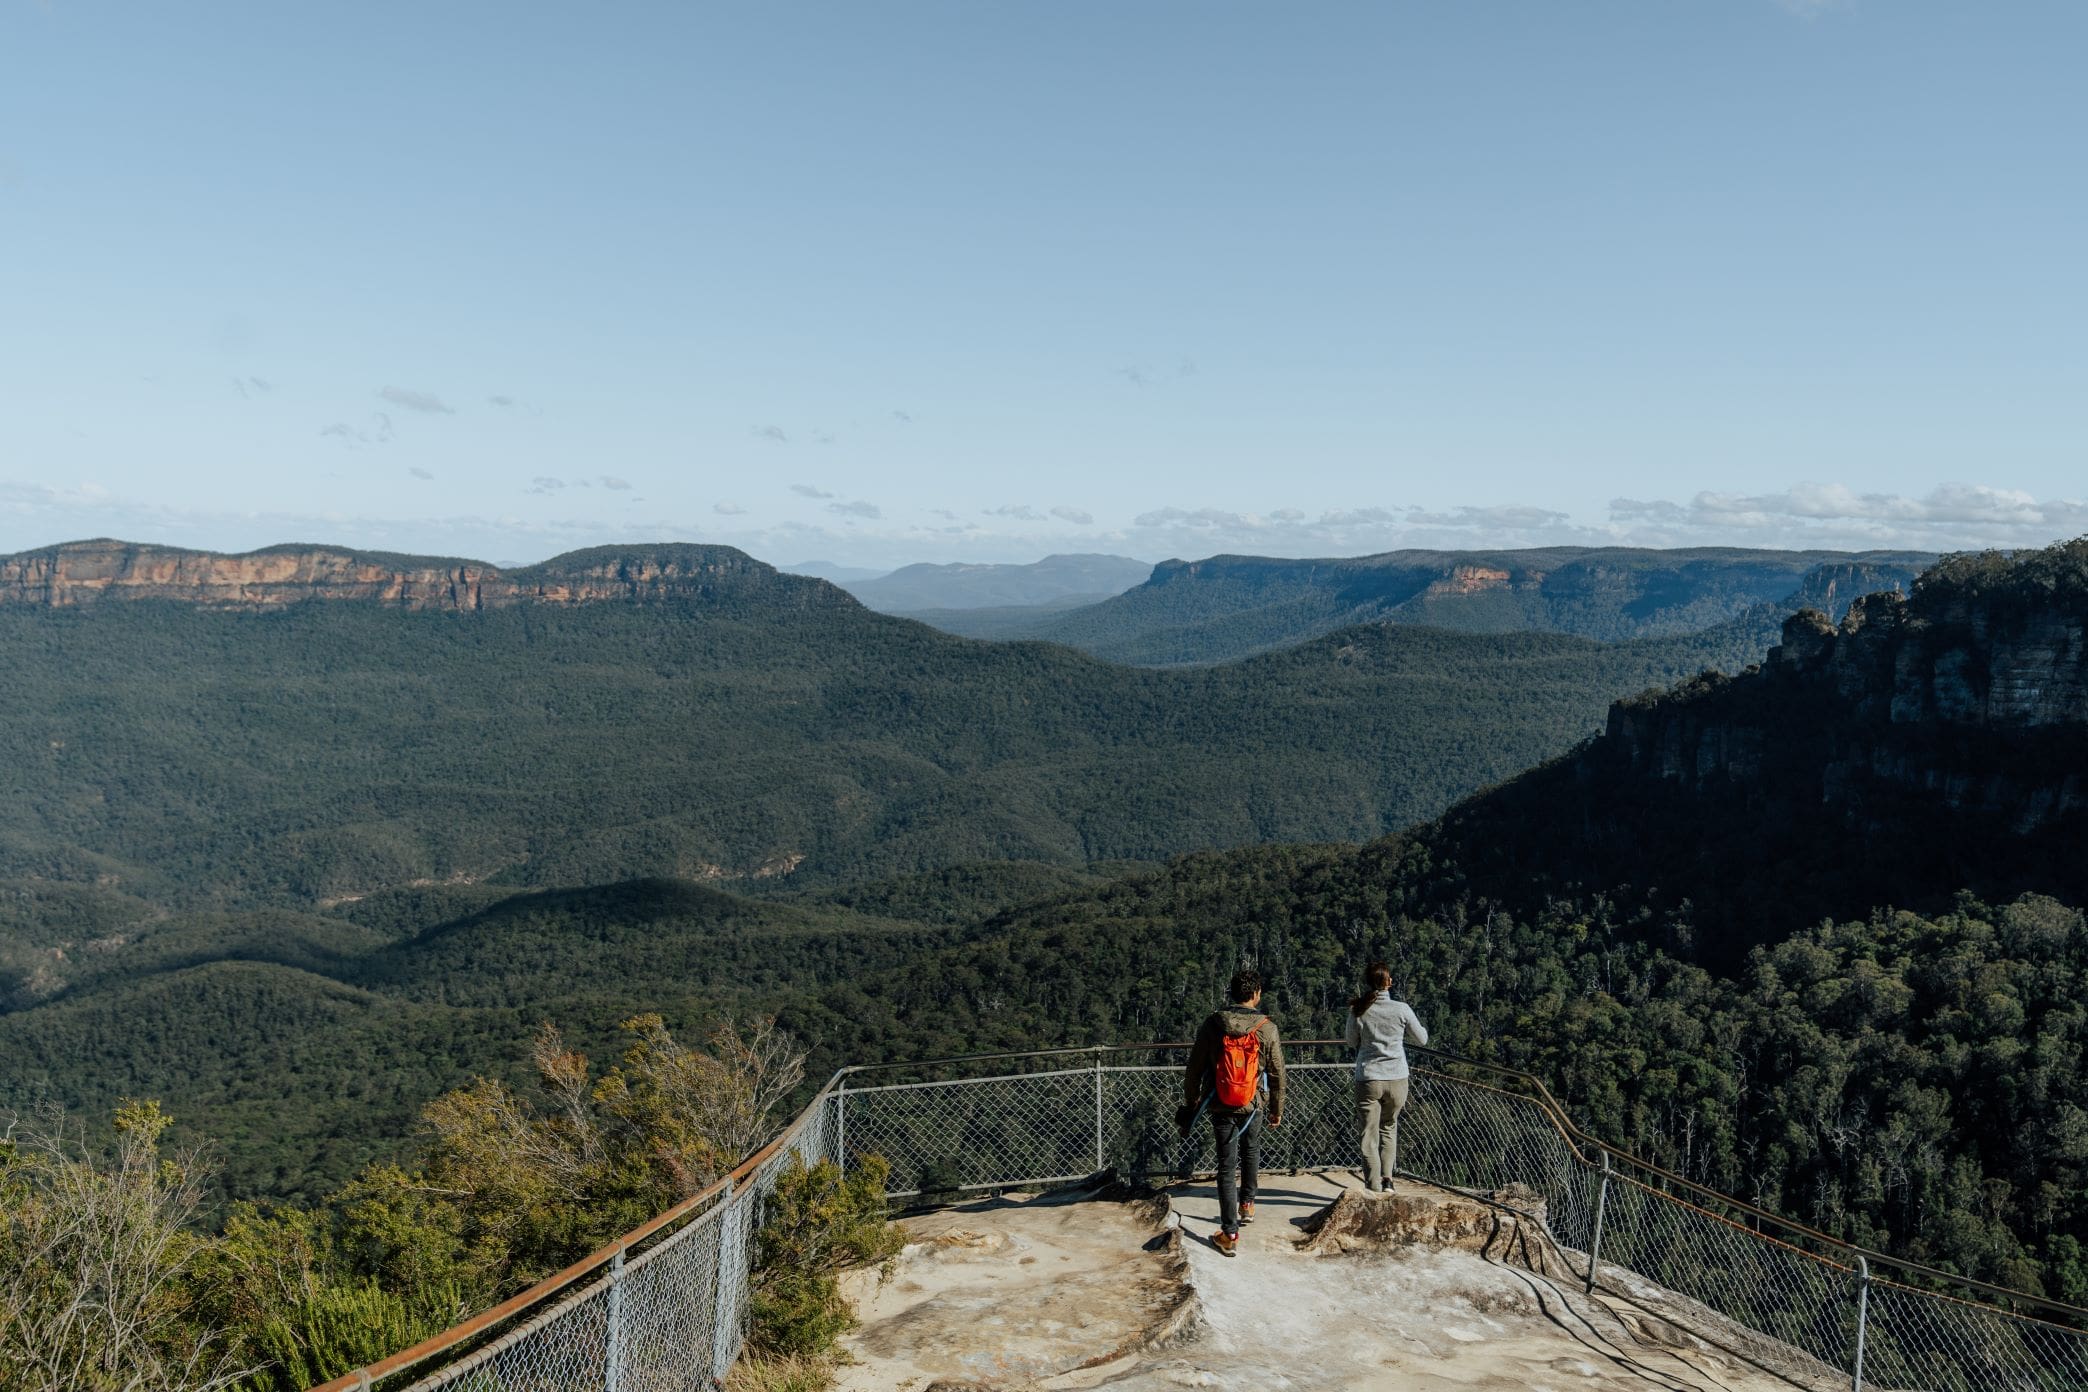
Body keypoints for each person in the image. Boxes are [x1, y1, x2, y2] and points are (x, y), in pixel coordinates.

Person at [1182, 968, 1286, 1256]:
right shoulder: (1267, 1028)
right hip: (1253, 1104)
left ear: (1232, 993)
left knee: (1226, 1167)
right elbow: (1277, 1074)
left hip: (1220, 1103)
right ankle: (1248, 1205)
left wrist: (1192, 1101)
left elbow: (1194, 1069)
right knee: (1251, 1150)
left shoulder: (1214, 1025)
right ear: (1256, 994)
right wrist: (1276, 1108)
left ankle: (1229, 1234)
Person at [1345, 961, 1427, 1194]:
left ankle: (1373, 1186)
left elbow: (1351, 1041)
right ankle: (1388, 1180)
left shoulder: (1359, 1010)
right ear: (1388, 983)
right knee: (1389, 1127)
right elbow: (1422, 1039)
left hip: (1369, 1078)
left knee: (1368, 1134)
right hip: (1397, 1077)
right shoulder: (1401, 1009)